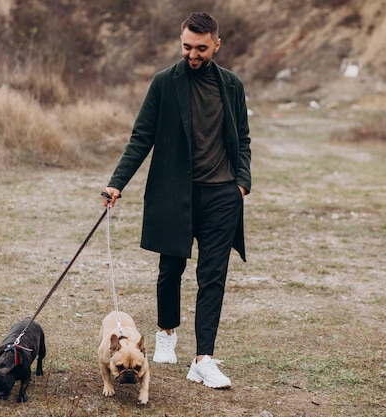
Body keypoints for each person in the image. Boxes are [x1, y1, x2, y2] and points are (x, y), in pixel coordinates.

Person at [101, 11, 251, 389]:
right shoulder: (164, 83)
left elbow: (243, 139)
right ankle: (166, 333)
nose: (193, 54)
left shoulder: (231, 85)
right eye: (187, 46)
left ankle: (203, 359)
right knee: (171, 269)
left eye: (201, 47)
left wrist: (242, 183)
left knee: (212, 276)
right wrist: (117, 183)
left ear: (217, 44)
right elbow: (141, 137)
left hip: (222, 195)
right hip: (175, 194)